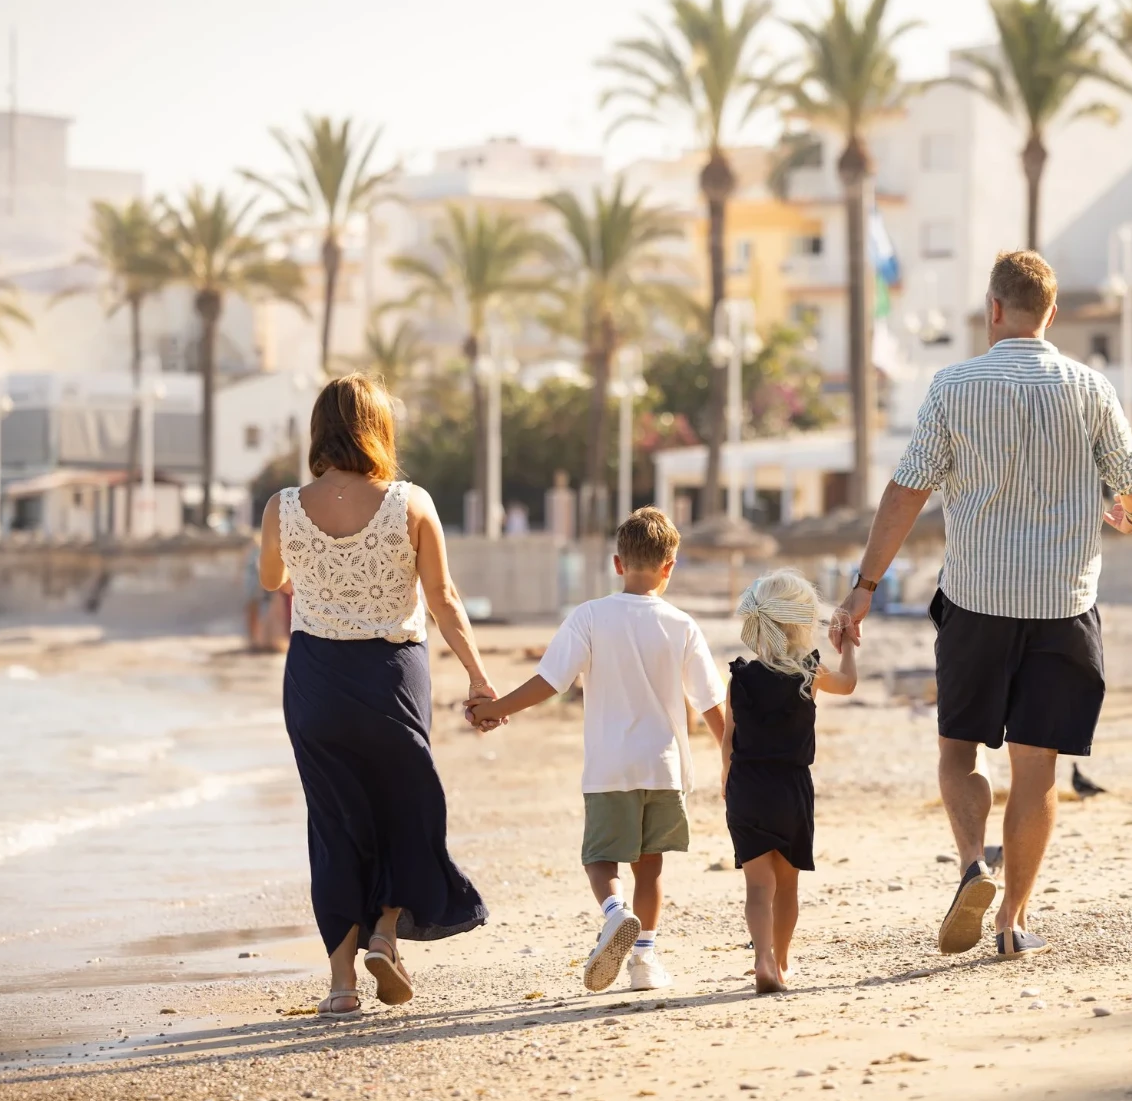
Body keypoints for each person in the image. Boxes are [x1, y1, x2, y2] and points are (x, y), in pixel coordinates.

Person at [833, 250, 1132, 960]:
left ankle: (971, 865)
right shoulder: (1090, 388)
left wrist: (863, 588)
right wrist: (1127, 515)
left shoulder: (953, 386)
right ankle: (1013, 922)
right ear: (1051, 314)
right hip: (1064, 606)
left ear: (993, 310)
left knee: (957, 751)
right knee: (1035, 770)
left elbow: (906, 493)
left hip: (977, 600)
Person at [258, 373, 493, 1017]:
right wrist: (478, 677)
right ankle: (386, 934)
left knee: (333, 824)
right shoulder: (410, 504)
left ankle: (340, 985)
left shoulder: (283, 506)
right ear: (378, 428)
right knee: (402, 808)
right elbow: (443, 600)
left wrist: (319, 572)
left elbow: (272, 577)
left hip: (314, 680)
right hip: (392, 673)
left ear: (318, 430)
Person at [466, 507, 727, 992]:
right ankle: (644, 961)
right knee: (650, 866)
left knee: (599, 858)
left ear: (617, 563)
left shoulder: (589, 616)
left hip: (610, 765)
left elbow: (550, 681)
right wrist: (732, 758)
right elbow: (711, 701)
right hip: (663, 766)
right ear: (670, 566)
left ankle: (613, 913)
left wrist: (495, 709)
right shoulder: (682, 624)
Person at [721, 570, 858, 993]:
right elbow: (849, 684)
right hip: (790, 789)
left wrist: (727, 787)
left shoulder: (739, 677)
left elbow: (728, 742)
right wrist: (849, 646)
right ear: (802, 623)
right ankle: (780, 963)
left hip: (745, 788)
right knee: (787, 886)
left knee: (758, 886)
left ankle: (761, 958)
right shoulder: (808, 674)